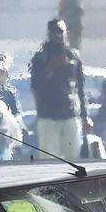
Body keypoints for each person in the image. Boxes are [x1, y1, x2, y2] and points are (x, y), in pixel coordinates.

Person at [29, 18, 89, 160]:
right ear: (49, 33)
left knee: (74, 158)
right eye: (54, 32)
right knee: (49, 160)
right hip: (48, 116)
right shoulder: (40, 58)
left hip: (71, 114)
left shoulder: (73, 55)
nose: (58, 35)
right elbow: (36, 86)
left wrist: (85, 115)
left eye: (60, 32)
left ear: (65, 33)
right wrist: (51, 68)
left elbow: (80, 87)